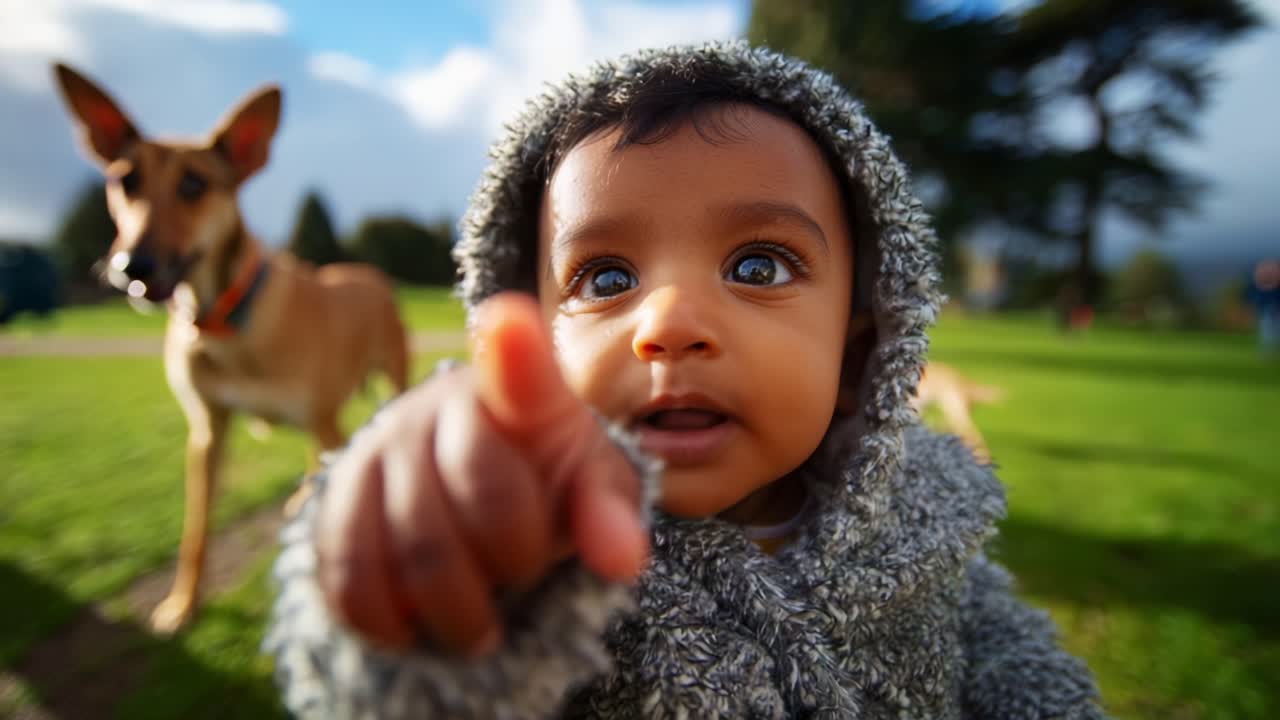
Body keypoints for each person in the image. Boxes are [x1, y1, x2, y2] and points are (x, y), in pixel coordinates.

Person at [266, 42, 1105, 718]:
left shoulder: (928, 506)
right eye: (603, 279)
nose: (667, 323)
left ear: (860, 357)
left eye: (758, 264)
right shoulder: (541, 547)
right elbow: (404, 689)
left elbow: (1006, 651)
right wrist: (418, 548)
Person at [1245, 258, 1280, 353]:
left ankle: (1271, 350)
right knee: (1266, 331)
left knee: (1274, 331)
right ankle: (1267, 351)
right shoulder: (1258, 287)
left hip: (1276, 311)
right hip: (1265, 311)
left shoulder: (1275, 287)